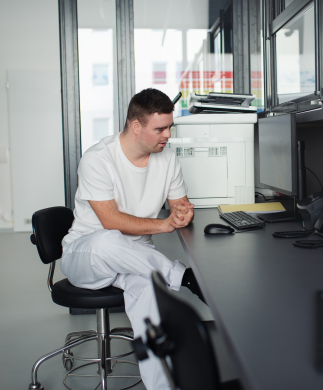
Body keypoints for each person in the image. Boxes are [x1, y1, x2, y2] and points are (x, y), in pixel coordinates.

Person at [60, 88, 204, 390]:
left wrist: (181, 214)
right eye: (160, 129)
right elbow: (110, 221)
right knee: (107, 239)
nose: (167, 135)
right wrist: (165, 226)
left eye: (169, 127)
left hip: (135, 260)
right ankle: (183, 277)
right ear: (136, 126)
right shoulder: (98, 159)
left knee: (152, 304)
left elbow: (181, 203)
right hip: (87, 257)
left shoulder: (166, 158)